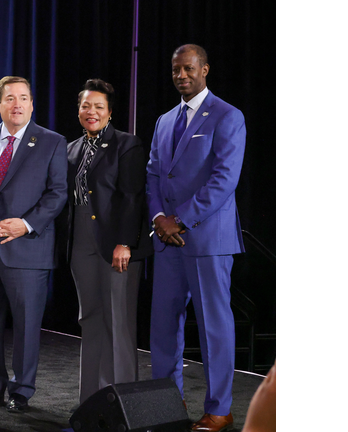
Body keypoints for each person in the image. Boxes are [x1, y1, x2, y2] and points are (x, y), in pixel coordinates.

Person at [146, 44, 246, 432]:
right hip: (166, 239)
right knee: (162, 326)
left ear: (205, 69)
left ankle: (219, 409)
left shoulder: (227, 116)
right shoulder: (165, 120)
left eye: (188, 68)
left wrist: (180, 220)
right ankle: (167, 402)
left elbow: (225, 179)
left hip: (206, 240)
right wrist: (158, 218)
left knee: (213, 328)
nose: (181, 75)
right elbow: (155, 174)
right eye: (175, 70)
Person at [0, 76, 67, 413]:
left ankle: (21, 390)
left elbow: (58, 193)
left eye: (23, 98)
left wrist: (26, 224)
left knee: (26, 325)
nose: (17, 104)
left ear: (32, 104)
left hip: (27, 248)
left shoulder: (51, 142)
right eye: (9, 98)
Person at [65, 79, 152, 405]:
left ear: (110, 112)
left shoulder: (126, 145)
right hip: (81, 246)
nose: (91, 112)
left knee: (118, 323)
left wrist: (125, 242)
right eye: (86, 105)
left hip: (116, 245)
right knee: (90, 320)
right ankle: (92, 402)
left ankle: (124, 404)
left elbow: (132, 198)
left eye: (98, 106)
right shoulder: (71, 149)